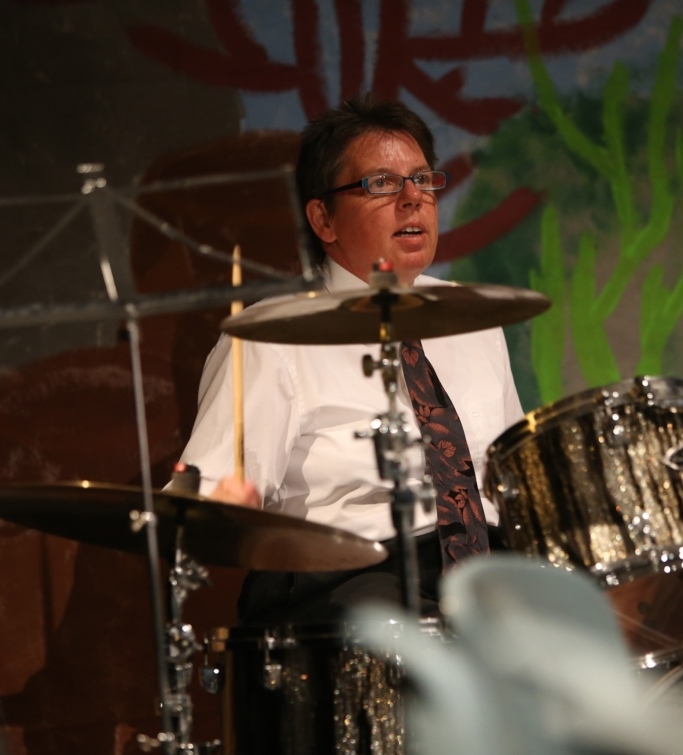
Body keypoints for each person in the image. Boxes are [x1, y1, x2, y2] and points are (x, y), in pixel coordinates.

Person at [177, 96, 525, 623]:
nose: (413, 199)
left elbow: (514, 482)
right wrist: (218, 508)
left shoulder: (474, 317)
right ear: (323, 218)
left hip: (487, 578)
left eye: (422, 180)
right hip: (351, 582)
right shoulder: (272, 339)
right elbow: (204, 497)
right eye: (382, 184)